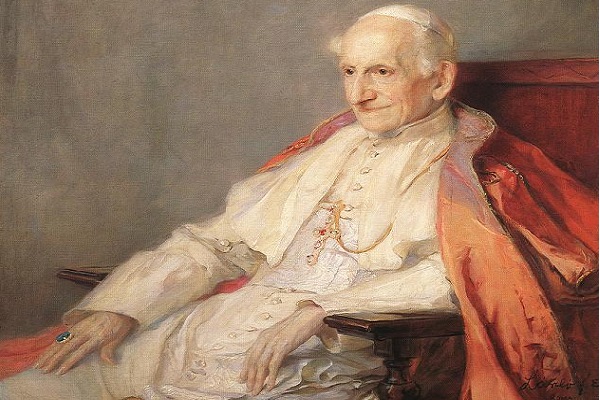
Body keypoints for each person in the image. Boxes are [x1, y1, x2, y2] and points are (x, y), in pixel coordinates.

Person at [1, 4, 597, 400]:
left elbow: (465, 274)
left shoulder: (477, 172)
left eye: (381, 72)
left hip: (321, 363)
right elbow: (217, 243)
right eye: (350, 72)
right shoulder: (327, 148)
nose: (359, 94)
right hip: (193, 338)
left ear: (439, 80)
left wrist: (322, 309)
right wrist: (124, 308)